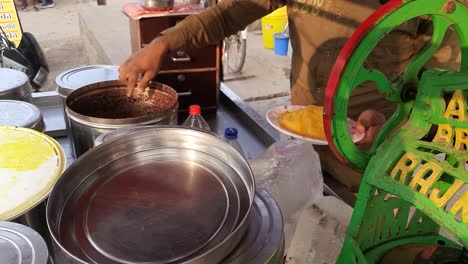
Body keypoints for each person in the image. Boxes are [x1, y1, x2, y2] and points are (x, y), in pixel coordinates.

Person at [119, 0, 460, 190]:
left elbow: (448, 88)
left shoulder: (436, 7)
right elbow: (231, 12)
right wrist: (162, 43)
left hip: (374, 163)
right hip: (302, 147)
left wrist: (401, 125)